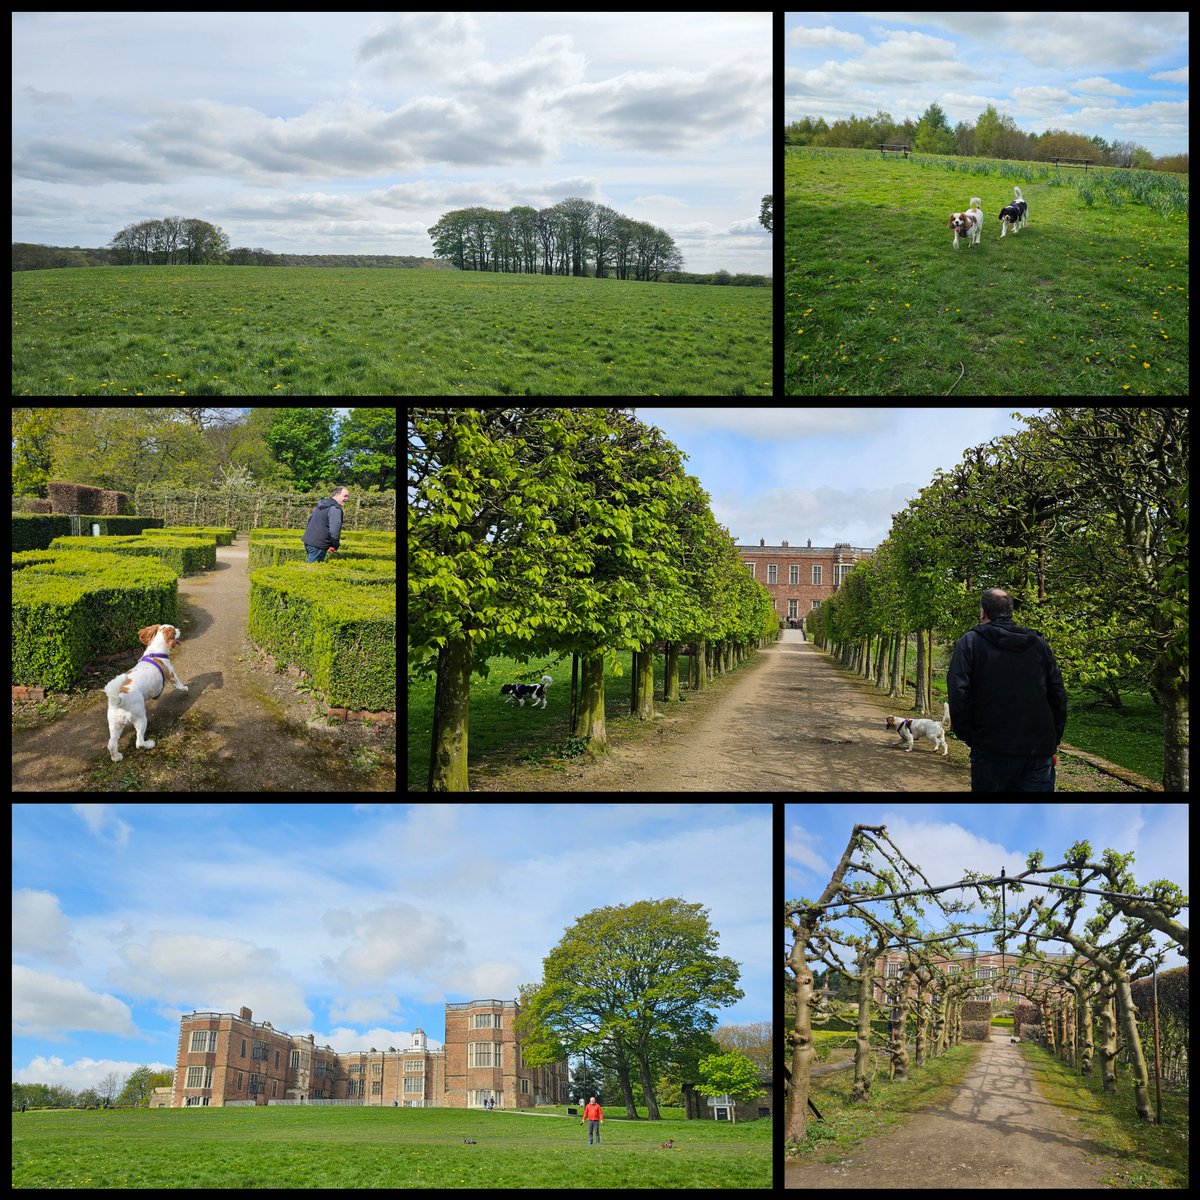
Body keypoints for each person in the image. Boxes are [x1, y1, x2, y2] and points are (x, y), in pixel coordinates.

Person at [947, 587, 1067, 792]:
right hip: (1037, 749)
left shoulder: (970, 642)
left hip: (991, 749)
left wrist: (970, 736)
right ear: (1010, 611)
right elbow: (1057, 695)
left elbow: (959, 694)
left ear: (983, 612)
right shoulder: (1038, 644)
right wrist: (1053, 738)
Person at [302, 486, 348, 563]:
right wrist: (335, 545)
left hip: (308, 541)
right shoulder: (335, 509)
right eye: (345, 496)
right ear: (337, 495)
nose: (347, 499)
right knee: (313, 571)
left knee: (311, 567)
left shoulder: (322, 504)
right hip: (318, 545)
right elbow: (335, 530)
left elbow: (310, 520)